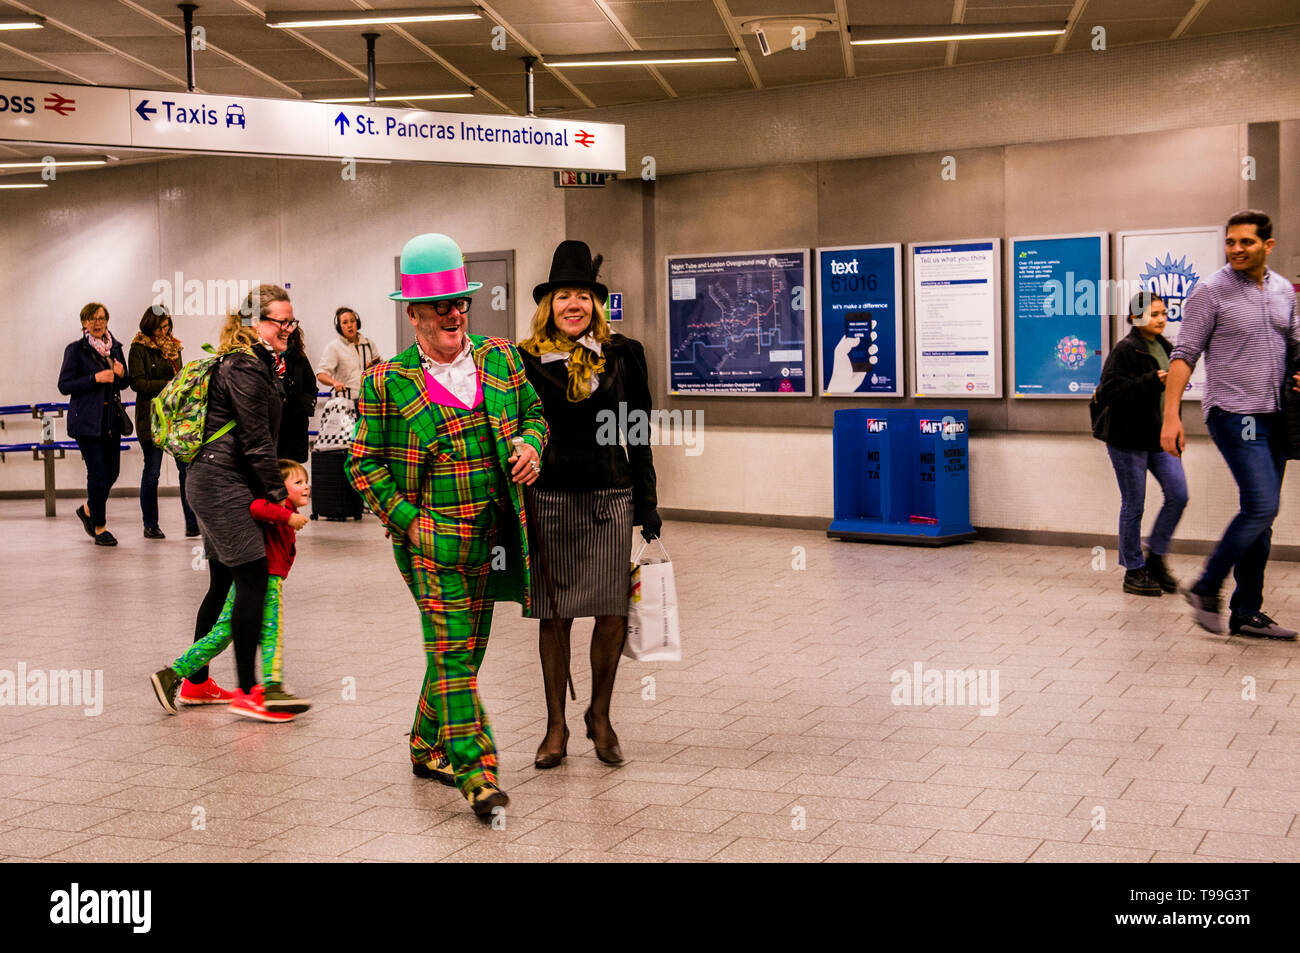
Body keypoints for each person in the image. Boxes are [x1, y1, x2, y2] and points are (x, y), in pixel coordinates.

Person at [347, 233, 547, 818]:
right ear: (413, 314)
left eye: (460, 303)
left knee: (467, 650)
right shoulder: (387, 381)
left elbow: (535, 414)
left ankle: (422, 742)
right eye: (440, 306)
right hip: (429, 545)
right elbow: (363, 463)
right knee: (454, 655)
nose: (454, 314)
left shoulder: (502, 357)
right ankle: (478, 775)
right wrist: (408, 523)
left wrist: (533, 443)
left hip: (496, 539)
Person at [518, 240, 660, 770]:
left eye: (582, 295)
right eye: (562, 296)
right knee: (554, 615)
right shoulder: (524, 358)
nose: (572, 304)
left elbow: (638, 432)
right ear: (548, 305)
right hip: (548, 496)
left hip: (608, 495)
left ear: (595, 303)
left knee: (610, 609)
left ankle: (599, 716)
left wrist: (648, 504)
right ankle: (555, 724)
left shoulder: (623, 354)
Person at [1161, 209, 1300, 639]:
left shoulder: (1283, 291)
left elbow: (1296, 342)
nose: (1236, 250)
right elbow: (1184, 355)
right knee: (1261, 505)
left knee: (1261, 516)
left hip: (1278, 416)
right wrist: (1171, 416)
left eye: (1246, 242)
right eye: (1230, 242)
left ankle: (1246, 611)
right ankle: (1206, 585)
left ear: (1267, 246)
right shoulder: (1210, 292)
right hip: (1234, 414)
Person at [178, 285, 296, 716]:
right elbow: (255, 440)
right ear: (253, 322)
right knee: (254, 579)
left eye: (290, 321)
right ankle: (250, 692)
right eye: (279, 321)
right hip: (222, 482)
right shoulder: (246, 366)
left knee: (224, 582)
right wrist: (280, 499)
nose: (288, 329)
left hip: (213, 479)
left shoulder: (257, 362)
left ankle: (196, 684)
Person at [152, 458, 312, 720]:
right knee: (271, 632)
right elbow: (258, 507)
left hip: (247, 581)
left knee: (222, 633)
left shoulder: (284, 505)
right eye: (298, 482)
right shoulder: (278, 505)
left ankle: (172, 673)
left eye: (306, 481)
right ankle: (272, 688)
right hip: (264, 581)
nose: (306, 487)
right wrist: (287, 516)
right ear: (279, 488)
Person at [1092, 292, 1187, 597]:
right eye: (1153, 314)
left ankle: (1156, 558)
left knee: (1178, 494)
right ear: (1134, 318)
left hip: (1161, 438)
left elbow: (1170, 396)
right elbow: (1108, 392)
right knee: (1134, 505)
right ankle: (1134, 570)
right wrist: (1150, 381)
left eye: (1163, 313)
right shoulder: (1125, 350)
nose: (1160, 319)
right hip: (1128, 440)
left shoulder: (1166, 347)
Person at [58, 302, 127, 547]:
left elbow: (124, 382)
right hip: (86, 422)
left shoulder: (115, 348)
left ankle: (88, 508)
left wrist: (120, 374)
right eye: (91, 319)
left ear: (107, 320)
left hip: (111, 422)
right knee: (97, 474)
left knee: (112, 472)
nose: (97, 323)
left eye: (100, 318)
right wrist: (94, 378)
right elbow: (64, 385)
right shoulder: (75, 350)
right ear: (84, 323)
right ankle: (100, 527)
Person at [129, 305, 200, 539]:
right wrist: (168, 385)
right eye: (161, 327)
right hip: (150, 417)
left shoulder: (174, 347)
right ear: (150, 325)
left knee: (185, 470)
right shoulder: (138, 348)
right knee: (152, 472)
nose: (165, 332)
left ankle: (192, 523)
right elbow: (137, 383)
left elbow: (180, 377)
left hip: (175, 415)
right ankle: (150, 524)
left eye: (168, 327)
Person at [317, 306, 379, 396]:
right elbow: (321, 374)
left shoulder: (369, 344)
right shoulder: (334, 347)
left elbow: (380, 366)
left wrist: (374, 366)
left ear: (357, 323)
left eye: (352, 321)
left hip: (368, 400)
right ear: (339, 327)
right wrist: (334, 382)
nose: (349, 325)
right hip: (346, 401)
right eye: (345, 322)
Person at [278, 326, 317, 463]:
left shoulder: (299, 356)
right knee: (278, 462)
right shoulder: (268, 356)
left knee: (295, 463)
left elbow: (311, 385)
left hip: (297, 419)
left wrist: (304, 405)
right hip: (277, 421)